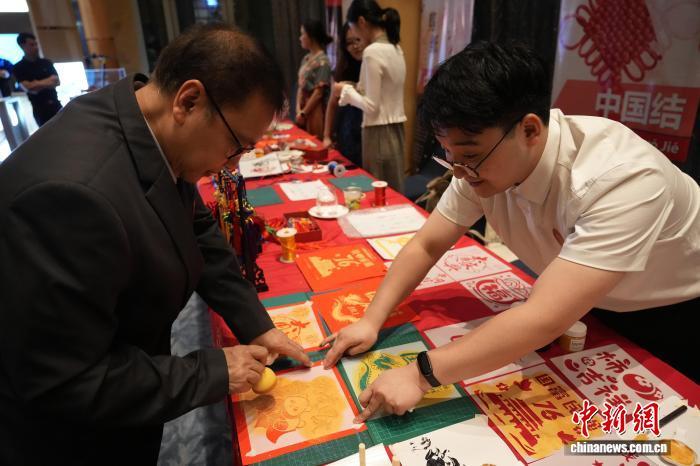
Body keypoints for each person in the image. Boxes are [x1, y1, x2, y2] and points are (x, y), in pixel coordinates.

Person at [321, 42, 700, 421]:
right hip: (585, 303)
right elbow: (427, 244)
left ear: (529, 129)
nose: (459, 172)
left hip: (670, 312)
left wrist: (420, 375)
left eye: (470, 156)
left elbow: (544, 317)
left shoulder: (621, 177)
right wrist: (371, 320)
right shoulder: (479, 164)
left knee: (659, 425)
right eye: (448, 155)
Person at [0, 24, 311, 466]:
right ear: (189, 100)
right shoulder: (72, 197)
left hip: (123, 385)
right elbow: (67, 380)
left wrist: (256, 324)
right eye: (235, 145)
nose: (232, 165)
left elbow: (196, 226)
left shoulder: (146, 125)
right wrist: (212, 371)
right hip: (67, 437)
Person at [337, 0, 407, 191]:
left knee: (377, 189)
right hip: (396, 130)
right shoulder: (396, 48)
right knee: (394, 188)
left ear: (361, 22)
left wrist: (347, 93)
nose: (356, 37)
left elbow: (371, 106)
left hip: (377, 132)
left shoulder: (372, 52)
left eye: (353, 30)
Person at [323, 22, 366, 167]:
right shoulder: (342, 67)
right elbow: (332, 104)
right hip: (346, 129)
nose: (355, 46)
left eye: (358, 40)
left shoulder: (372, 64)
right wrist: (327, 136)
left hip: (366, 130)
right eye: (349, 42)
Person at [12, 32, 62, 126]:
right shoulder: (18, 67)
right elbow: (29, 88)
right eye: (32, 45)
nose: (36, 47)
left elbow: (56, 81)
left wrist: (36, 83)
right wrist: (48, 81)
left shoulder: (46, 62)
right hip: (40, 110)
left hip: (56, 105)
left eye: (36, 44)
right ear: (22, 46)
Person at [296, 19, 332, 139]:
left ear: (311, 36)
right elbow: (301, 86)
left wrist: (304, 112)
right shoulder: (306, 58)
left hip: (315, 110)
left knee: (315, 140)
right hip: (303, 108)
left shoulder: (323, 61)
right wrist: (298, 109)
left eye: (303, 34)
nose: (300, 38)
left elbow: (319, 93)